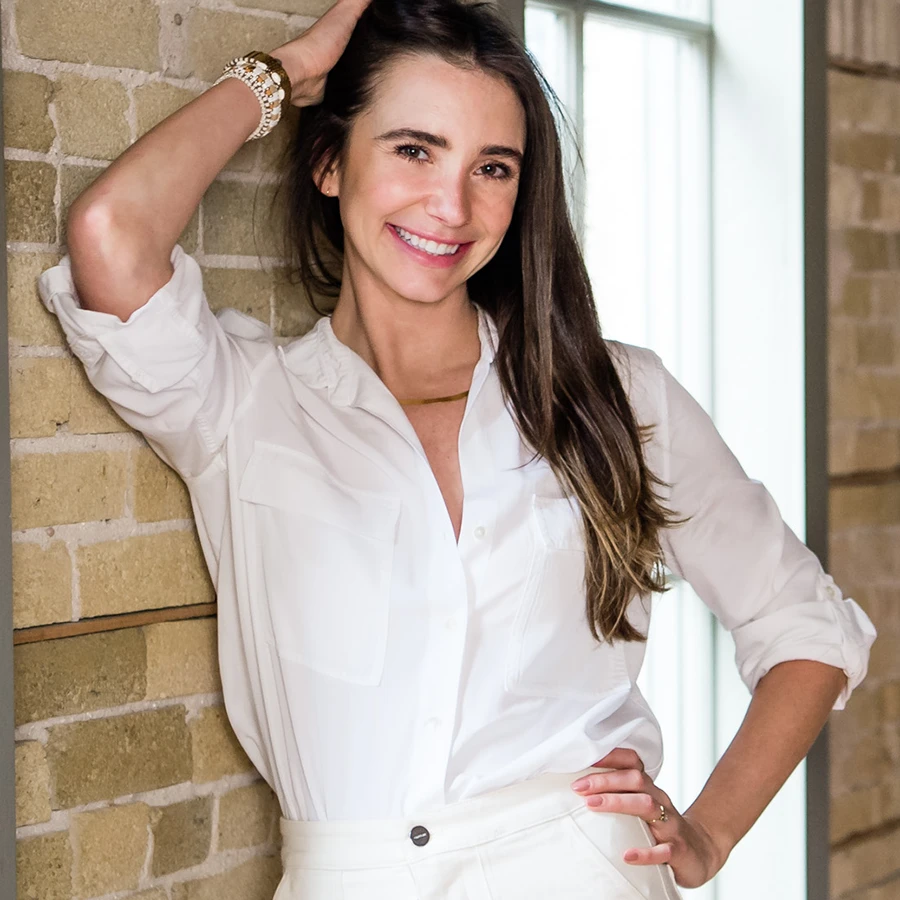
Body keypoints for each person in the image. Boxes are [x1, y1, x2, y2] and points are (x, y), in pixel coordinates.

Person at [37, 0, 876, 897]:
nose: (452, 204)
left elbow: (805, 625)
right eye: (413, 149)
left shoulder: (615, 396)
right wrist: (282, 73)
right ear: (330, 162)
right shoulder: (243, 403)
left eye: (493, 167)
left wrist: (708, 834)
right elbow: (111, 235)